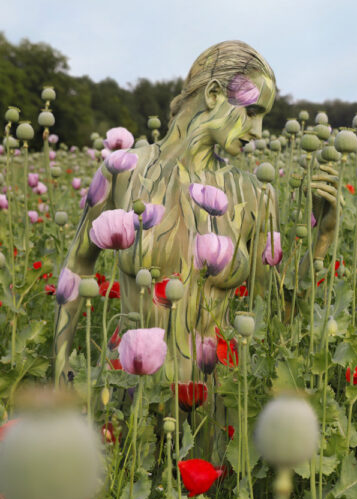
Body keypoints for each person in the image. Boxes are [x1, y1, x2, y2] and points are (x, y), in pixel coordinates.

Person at [53, 40, 337, 384]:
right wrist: (60, 367)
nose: (259, 132)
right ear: (214, 94)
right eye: (252, 112)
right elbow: (78, 266)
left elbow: (276, 315)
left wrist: (322, 237)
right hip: (129, 395)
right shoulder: (123, 169)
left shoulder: (254, 194)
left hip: (212, 407)